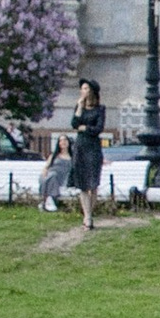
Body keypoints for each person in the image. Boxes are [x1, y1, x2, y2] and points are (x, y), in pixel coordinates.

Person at [65, 79, 106, 235]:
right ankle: (87, 217)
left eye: (85, 88)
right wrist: (79, 107)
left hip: (93, 147)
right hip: (80, 147)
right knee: (82, 184)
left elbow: (98, 128)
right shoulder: (79, 106)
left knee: (93, 184)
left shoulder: (100, 109)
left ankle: (89, 213)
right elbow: (74, 124)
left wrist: (85, 128)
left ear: (92, 91)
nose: (83, 91)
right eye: (82, 88)